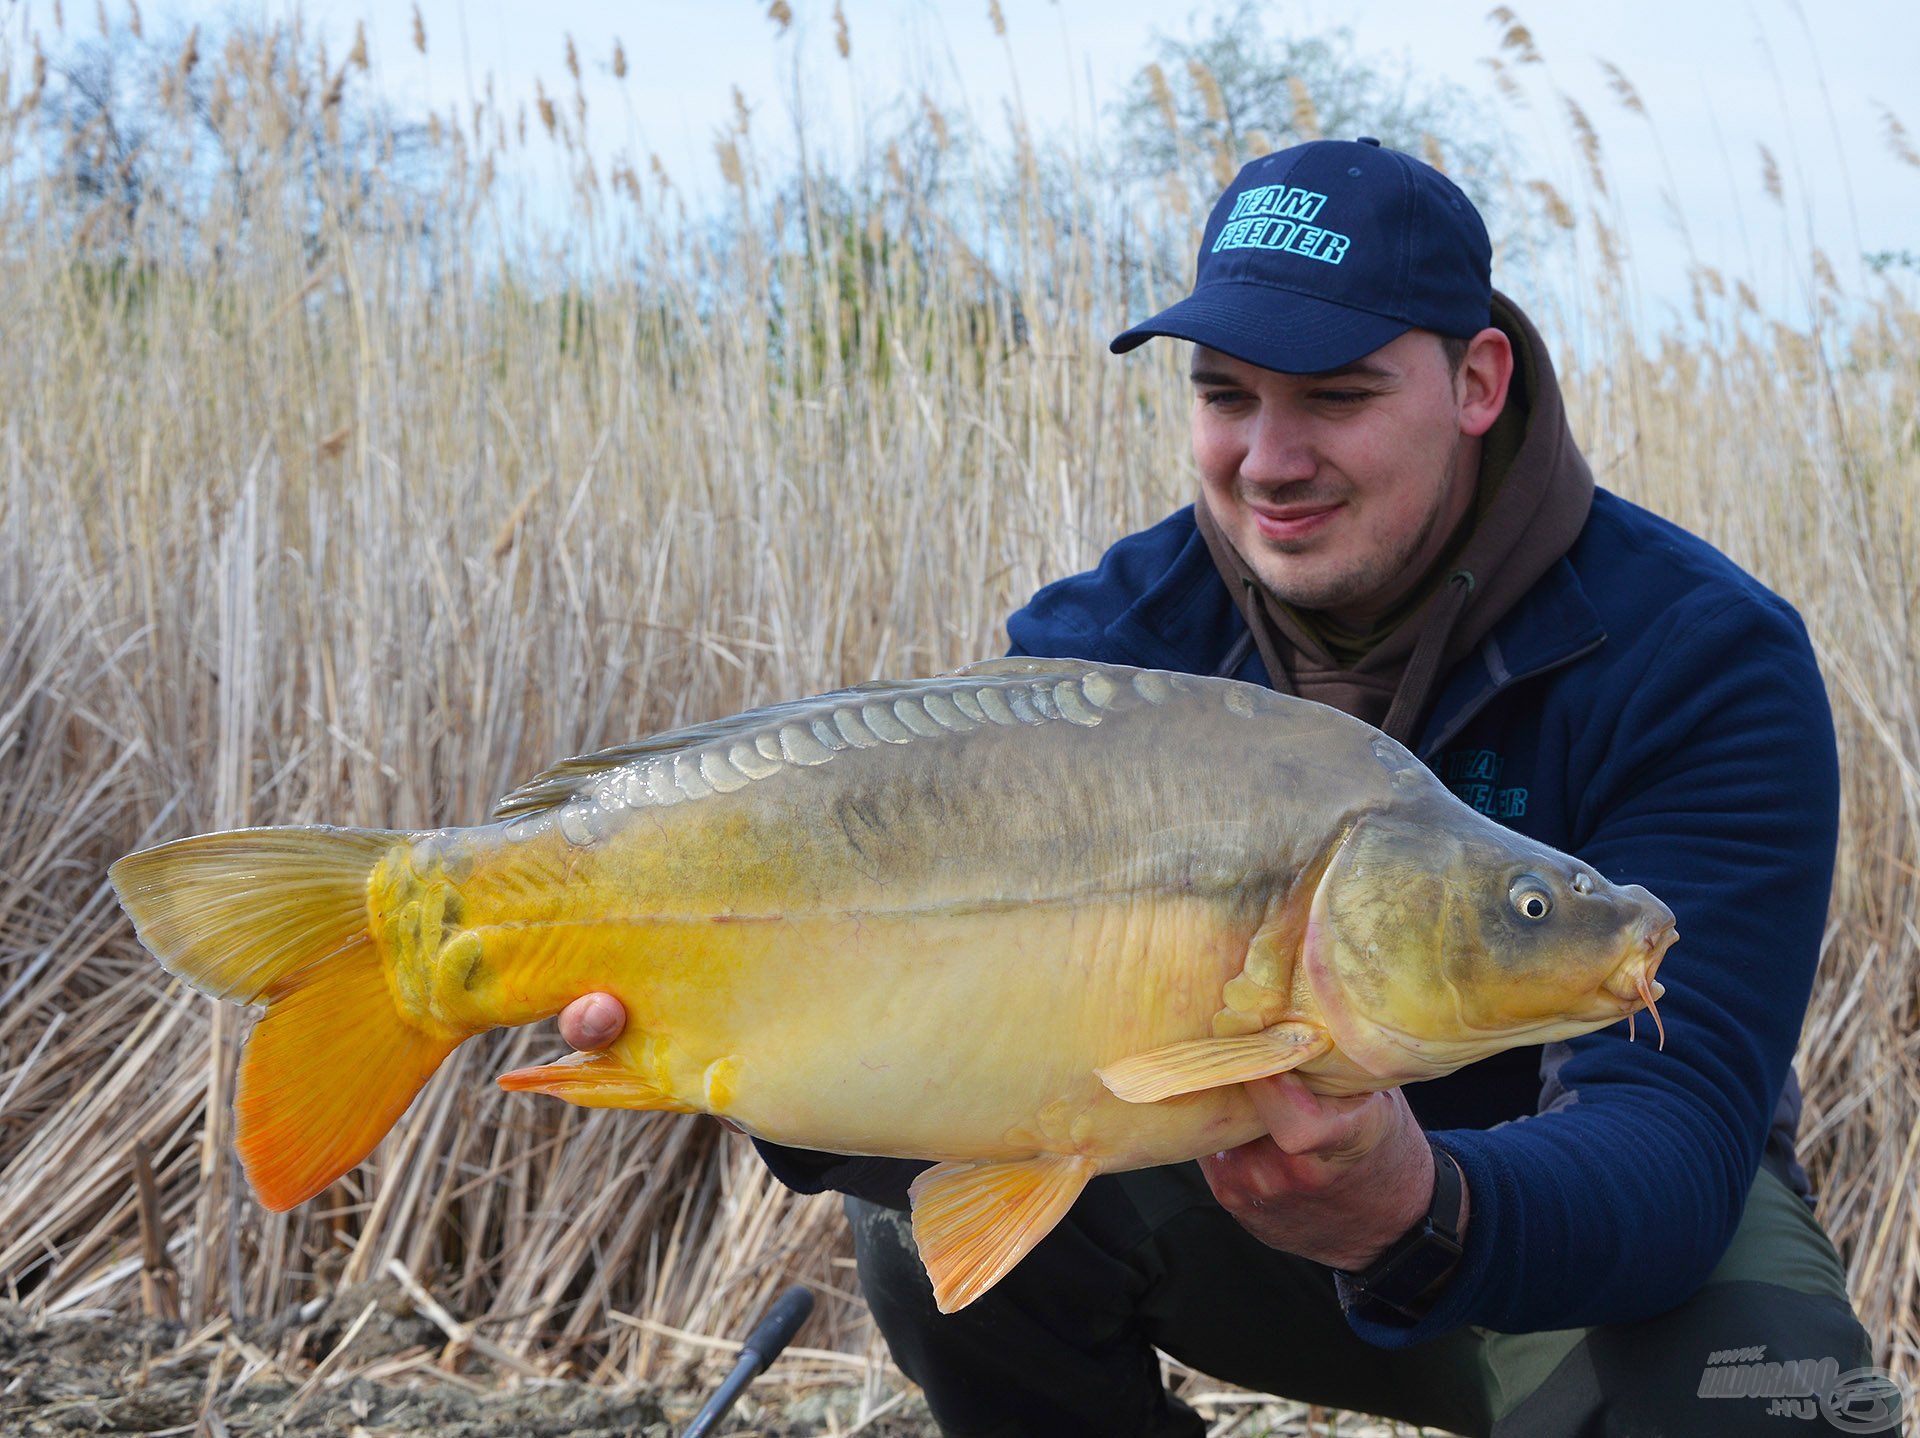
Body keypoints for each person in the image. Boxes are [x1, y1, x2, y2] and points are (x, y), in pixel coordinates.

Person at [558, 139, 1900, 1436]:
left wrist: (1414, 1203)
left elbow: (1671, 1136)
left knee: (1764, 1388)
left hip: (1561, 1244)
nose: (1269, 459)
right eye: (1225, 395)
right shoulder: (1109, 646)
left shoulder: (1698, 654)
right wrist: (731, 1040)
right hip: (1228, 1210)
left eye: (1337, 395)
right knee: (924, 1224)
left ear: (1478, 380)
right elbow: (938, 1048)